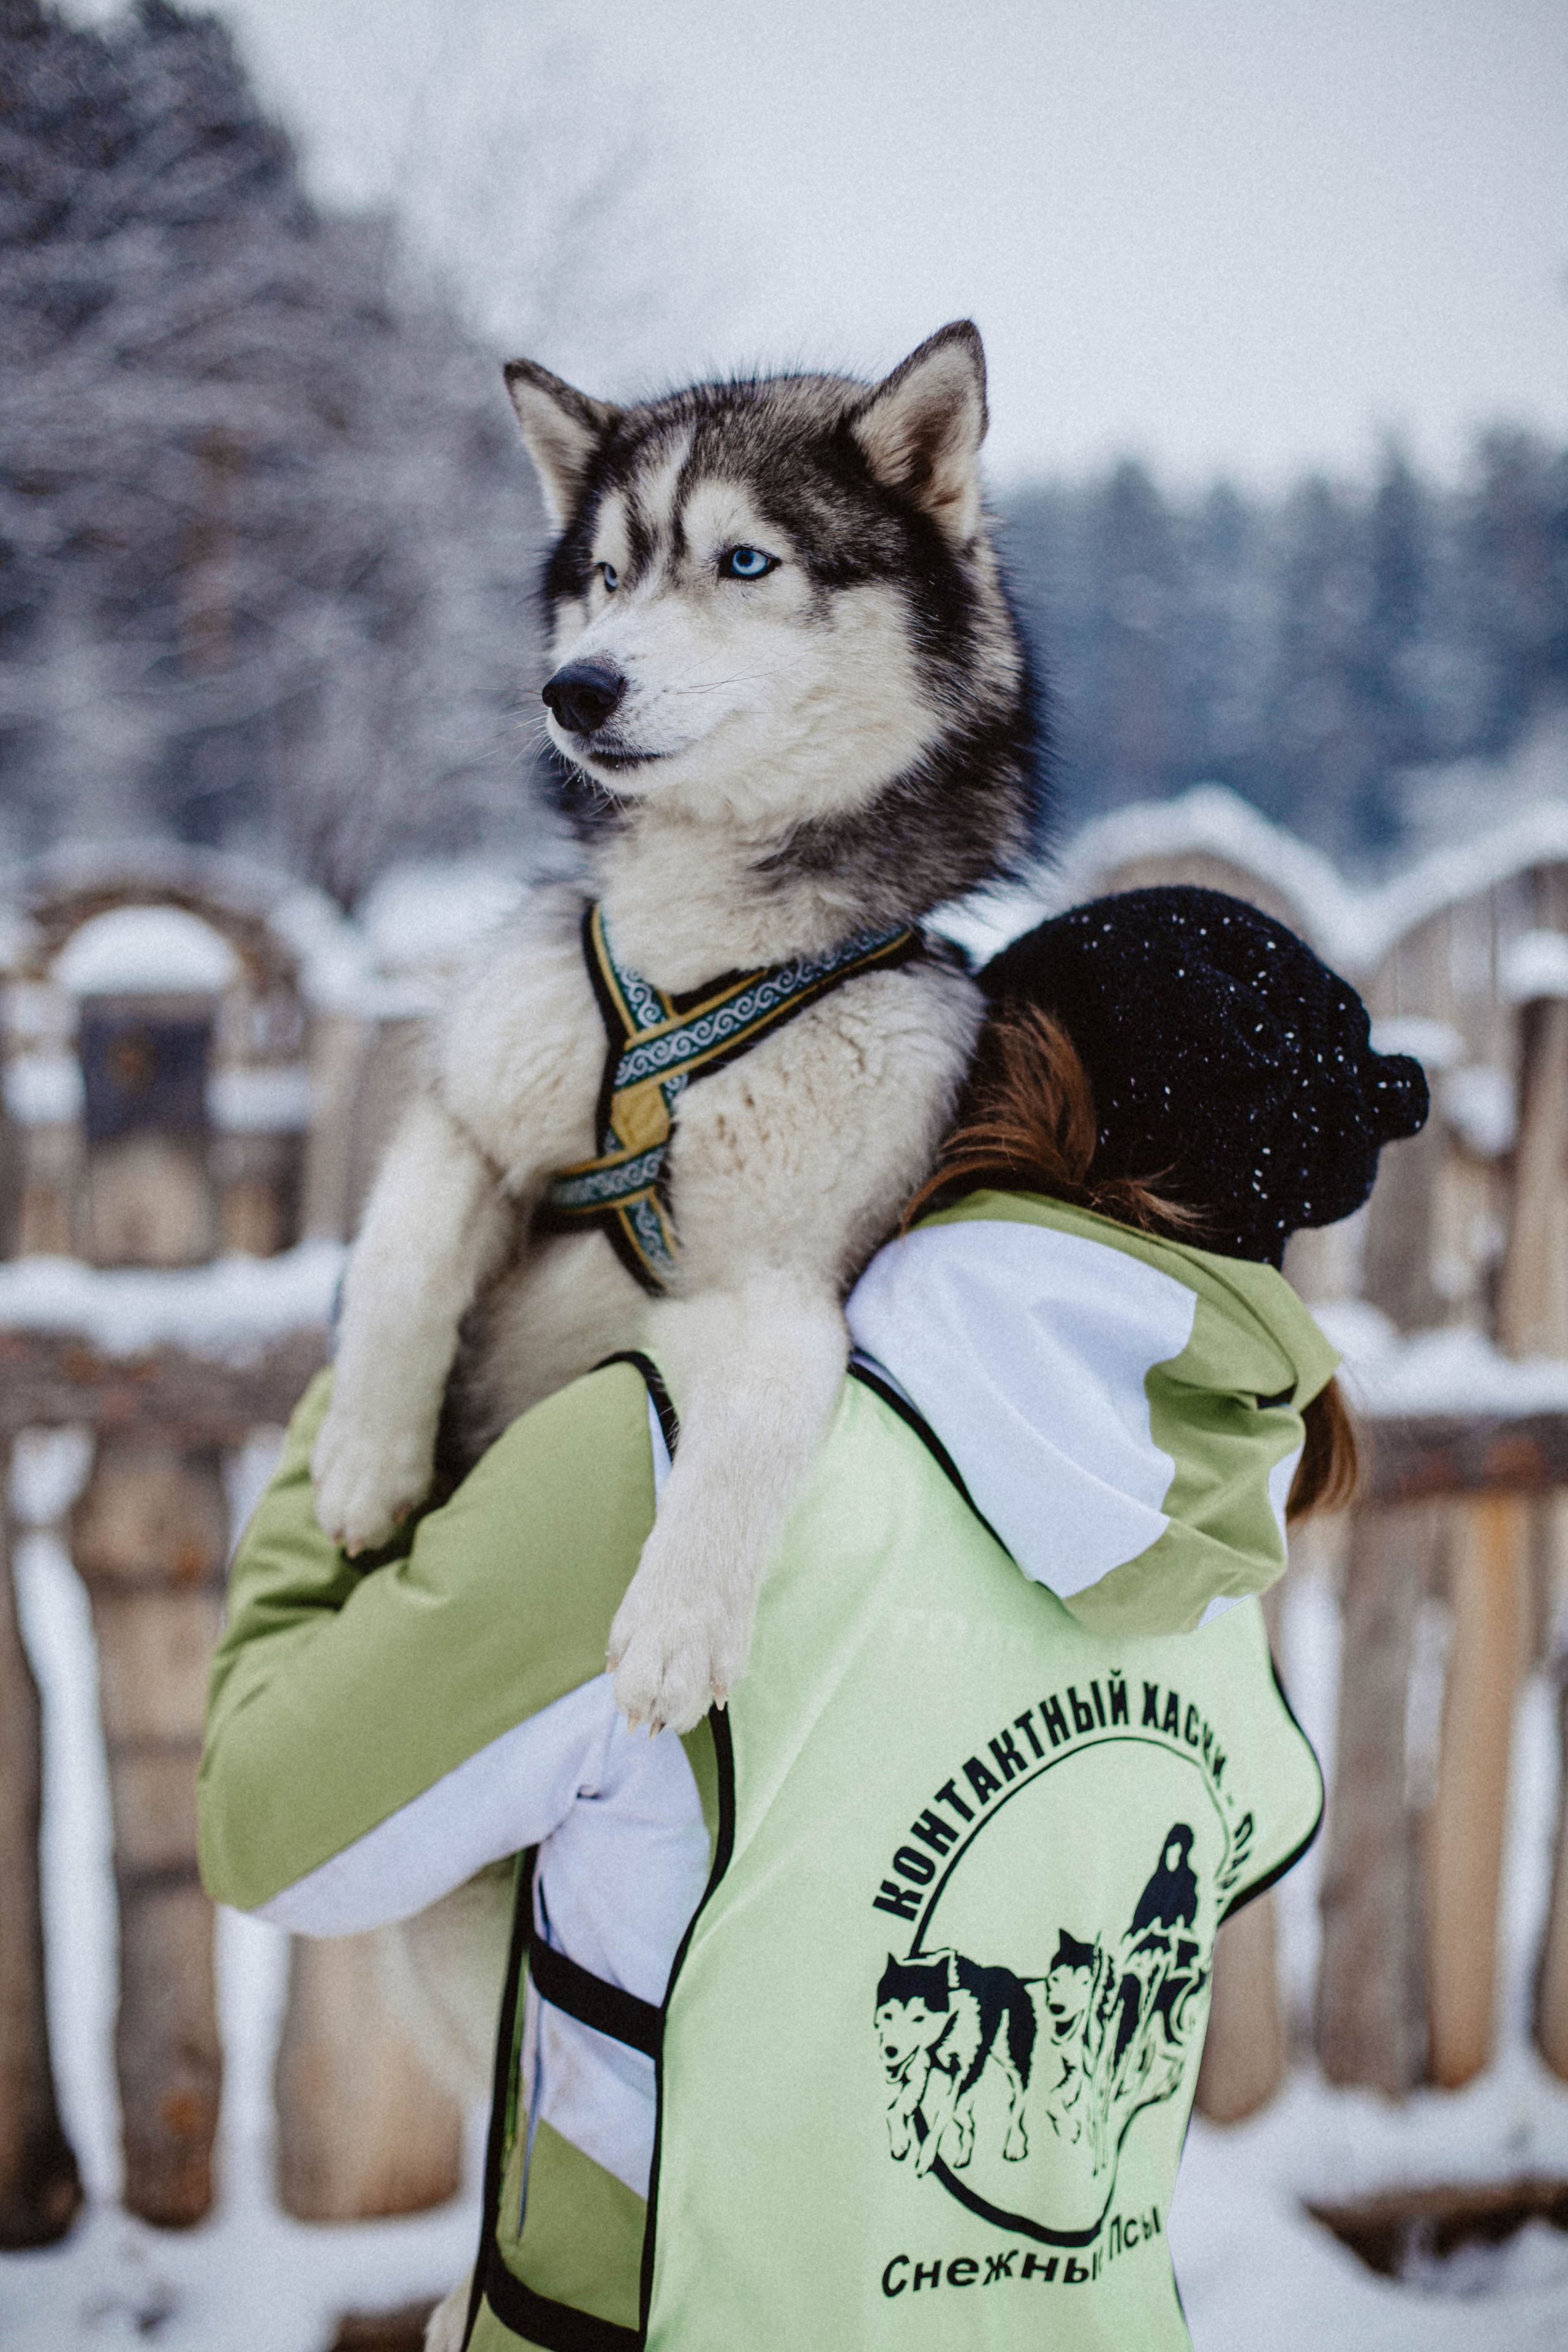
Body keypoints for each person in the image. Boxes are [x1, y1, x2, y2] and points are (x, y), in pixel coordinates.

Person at [199, 887, 1427, 2352]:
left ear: (992, 1094)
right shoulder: (1217, 1548)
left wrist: (392, 1341)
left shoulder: (674, 1481)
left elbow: (266, 1826)